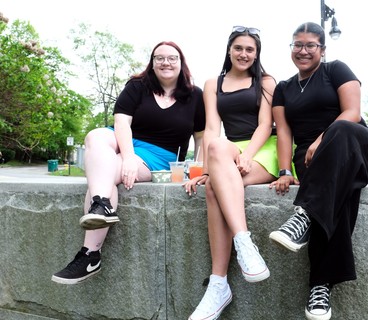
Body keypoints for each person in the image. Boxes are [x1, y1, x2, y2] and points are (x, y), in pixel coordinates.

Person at [51, 41, 206, 285]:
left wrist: (200, 169)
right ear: (152, 63)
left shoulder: (195, 95)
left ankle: (89, 254)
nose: (166, 62)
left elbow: (200, 137)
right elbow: (122, 123)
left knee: (103, 175)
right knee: (95, 136)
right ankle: (102, 205)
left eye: (172, 58)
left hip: (162, 156)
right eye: (159, 58)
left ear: (181, 63)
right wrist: (130, 156)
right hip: (127, 142)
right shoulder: (138, 86)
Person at [268, 22, 368, 320]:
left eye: (310, 45)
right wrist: (283, 170)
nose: (303, 50)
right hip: (312, 162)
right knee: (338, 196)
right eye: (297, 44)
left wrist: (322, 139)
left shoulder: (336, 70)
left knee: (343, 129)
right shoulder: (283, 89)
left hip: (356, 147)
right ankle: (320, 287)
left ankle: (304, 215)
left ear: (322, 49)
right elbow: (283, 134)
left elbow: (352, 113)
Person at [184, 26, 278, 320]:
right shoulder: (213, 84)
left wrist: (248, 156)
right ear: (229, 50)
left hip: (263, 148)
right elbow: (212, 129)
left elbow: (265, 125)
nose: (244, 54)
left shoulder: (265, 81)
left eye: (250, 49)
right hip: (227, 150)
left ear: (257, 53)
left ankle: (219, 284)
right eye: (239, 48)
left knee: (214, 189)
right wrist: (207, 169)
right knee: (217, 155)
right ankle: (243, 244)